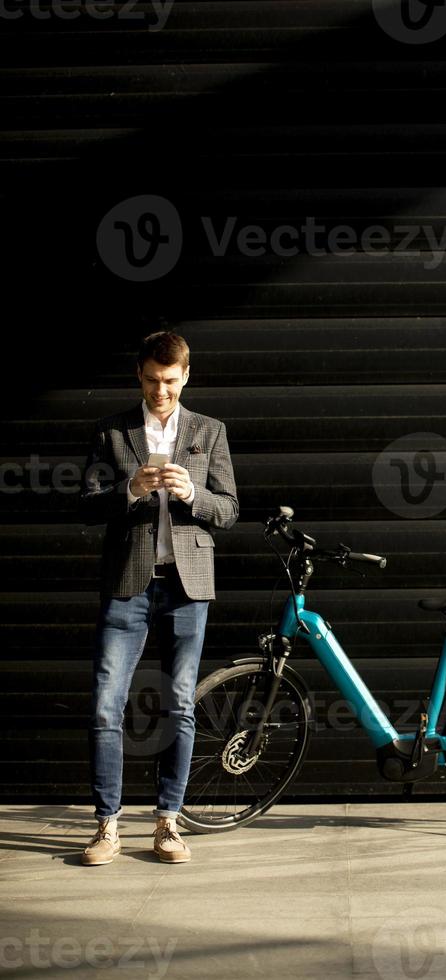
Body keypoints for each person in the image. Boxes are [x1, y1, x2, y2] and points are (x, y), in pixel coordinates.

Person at [78, 330, 238, 865]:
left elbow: (230, 510)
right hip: (128, 582)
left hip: (188, 586)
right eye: (151, 380)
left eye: (170, 381)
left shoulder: (209, 431)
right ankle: (107, 826)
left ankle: (168, 822)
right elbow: (86, 506)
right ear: (138, 375)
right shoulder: (111, 431)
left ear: (186, 376)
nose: (160, 391)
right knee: (106, 706)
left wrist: (193, 494)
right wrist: (132, 490)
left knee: (180, 707)